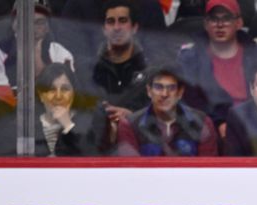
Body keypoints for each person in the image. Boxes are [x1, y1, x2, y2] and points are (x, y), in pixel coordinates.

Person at [0, 0, 75, 156]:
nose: (32, 28)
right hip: (2, 136)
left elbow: (66, 102)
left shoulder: (61, 54)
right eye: (26, 21)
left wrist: (36, 56)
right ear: (15, 24)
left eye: (39, 22)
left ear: (48, 27)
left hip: (52, 134)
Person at [178, 0, 257, 137]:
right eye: (214, 19)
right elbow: (192, 102)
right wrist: (219, 122)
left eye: (227, 18)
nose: (220, 25)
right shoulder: (190, 59)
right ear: (205, 24)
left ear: (239, 23)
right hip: (210, 128)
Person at [88, 0, 152, 149]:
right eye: (111, 22)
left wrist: (132, 117)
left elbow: (163, 117)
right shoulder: (88, 69)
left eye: (123, 21)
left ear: (134, 27)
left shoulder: (151, 69)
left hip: (141, 152)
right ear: (104, 29)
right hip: (96, 154)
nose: (116, 28)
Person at [115, 65, 218, 156]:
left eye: (171, 88)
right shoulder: (129, 125)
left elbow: (207, 172)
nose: (164, 94)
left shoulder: (202, 123)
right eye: (158, 87)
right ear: (149, 91)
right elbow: (130, 171)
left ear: (180, 93)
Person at [34, 62, 100, 156]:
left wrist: (68, 126)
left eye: (65, 89)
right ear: (41, 95)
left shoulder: (89, 122)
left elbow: (91, 160)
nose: (58, 96)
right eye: (52, 89)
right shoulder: (28, 126)